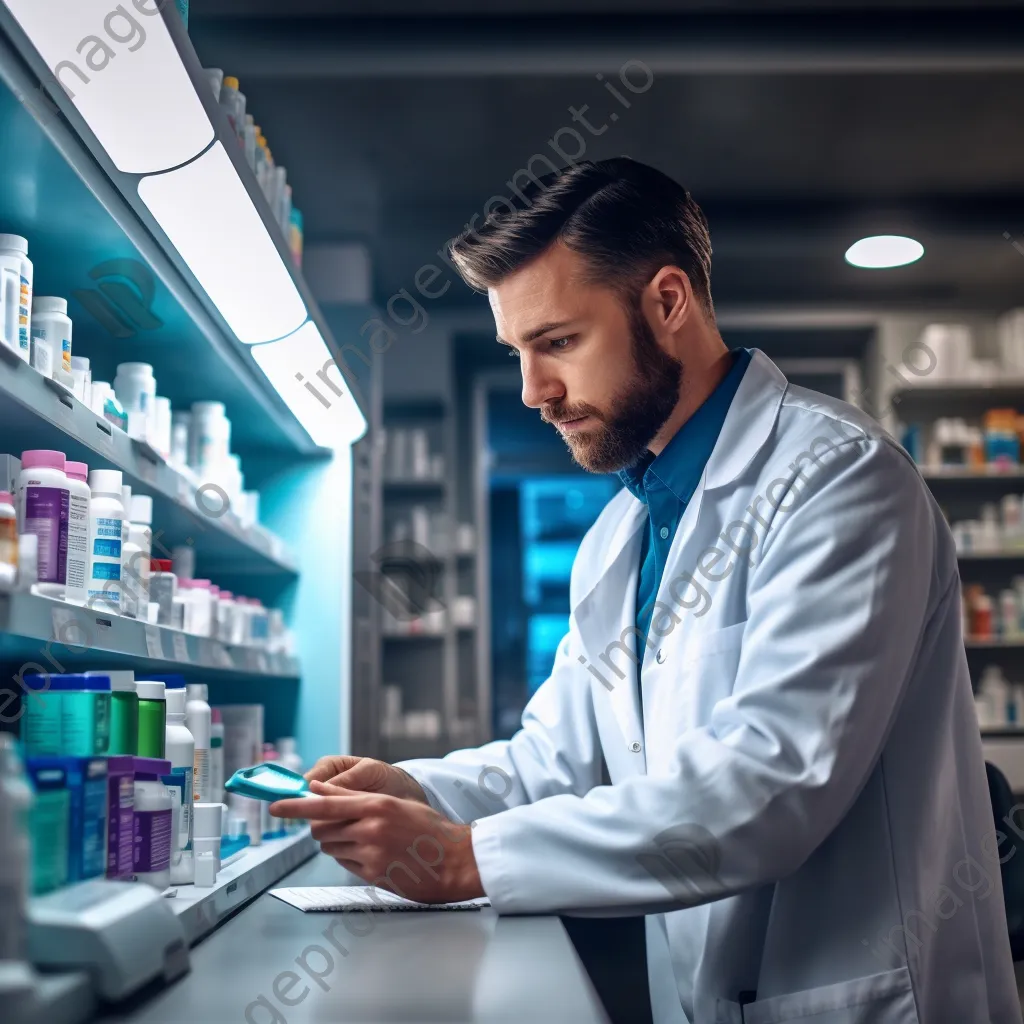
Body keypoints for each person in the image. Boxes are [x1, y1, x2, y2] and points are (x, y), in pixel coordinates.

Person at [271, 158, 1021, 1024]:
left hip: (864, 999)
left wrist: (467, 858)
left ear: (668, 303)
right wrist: (418, 792)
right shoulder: (620, 533)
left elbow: (771, 785)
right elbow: (554, 760)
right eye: (518, 352)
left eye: (558, 343)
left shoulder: (838, 480)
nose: (532, 393)